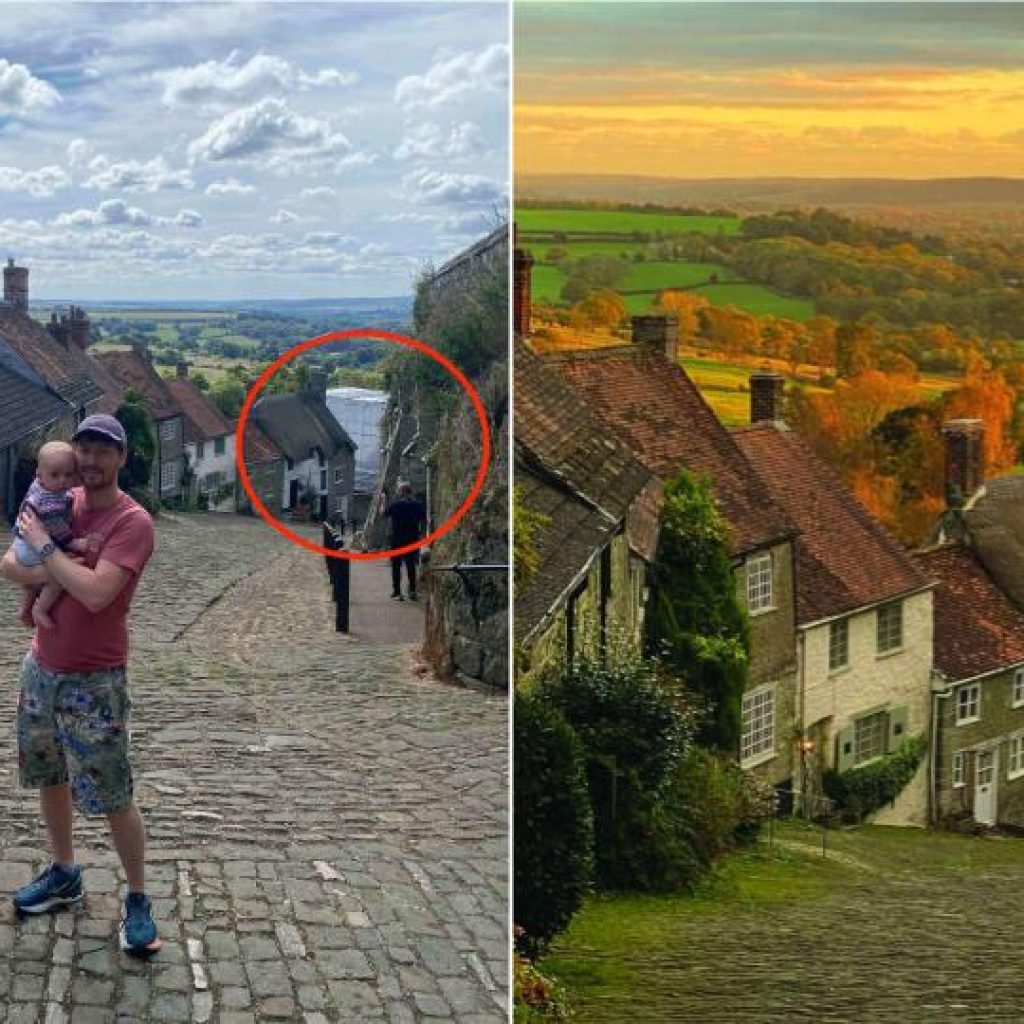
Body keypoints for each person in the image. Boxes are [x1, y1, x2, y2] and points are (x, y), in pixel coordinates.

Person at [1, 414, 160, 957]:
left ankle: (138, 897)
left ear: (121, 458)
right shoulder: (56, 497)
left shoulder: (132, 522)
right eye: (84, 449)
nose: (90, 461)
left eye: (103, 451)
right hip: (42, 668)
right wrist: (56, 560)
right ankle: (65, 872)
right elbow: (9, 565)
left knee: (113, 793)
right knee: (49, 776)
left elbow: (97, 594)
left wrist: (47, 553)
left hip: (96, 679)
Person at [12, 441, 97, 630]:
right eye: (55, 475)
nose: (62, 481)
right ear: (39, 475)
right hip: (29, 548)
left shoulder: (43, 487)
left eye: (68, 475)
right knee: (61, 574)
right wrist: (74, 543)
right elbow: (56, 527)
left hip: (24, 544)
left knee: (40, 577)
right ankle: (40, 609)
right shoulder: (47, 500)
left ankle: (25, 607)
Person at [384, 481, 426, 600]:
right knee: (411, 565)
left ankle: (397, 592)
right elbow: (423, 521)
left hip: (396, 539)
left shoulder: (396, 505)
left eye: (398, 490)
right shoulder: (418, 505)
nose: (397, 492)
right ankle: (412, 591)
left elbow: (383, 513)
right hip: (412, 539)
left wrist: (383, 500)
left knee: (396, 566)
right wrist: (422, 535)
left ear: (401, 492)